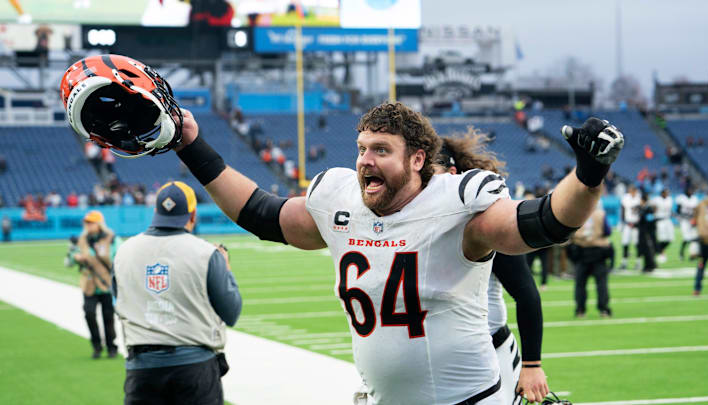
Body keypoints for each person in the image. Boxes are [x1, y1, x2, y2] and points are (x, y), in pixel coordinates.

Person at [168, 103, 623, 405]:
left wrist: (587, 175)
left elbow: (544, 223)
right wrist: (192, 145)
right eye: (362, 148)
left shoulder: (456, 205)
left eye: (382, 150)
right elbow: (260, 213)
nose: (366, 160)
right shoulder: (341, 199)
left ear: (418, 160)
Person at [433, 132, 549, 403]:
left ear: (452, 173)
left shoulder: (480, 223)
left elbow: (526, 293)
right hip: (439, 359)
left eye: (431, 174)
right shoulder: (414, 220)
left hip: (488, 352)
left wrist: (532, 365)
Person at [113, 181, 242, 405]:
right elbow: (231, 311)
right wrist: (226, 270)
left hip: (142, 367)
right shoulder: (206, 253)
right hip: (195, 367)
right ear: (192, 215)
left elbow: (119, 299)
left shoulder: (124, 251)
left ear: (155, 212)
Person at [67, 210, 118, 358]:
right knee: (89, 314)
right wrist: (76, 257)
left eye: (92, 222)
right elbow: (69, 261)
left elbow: (119, 257)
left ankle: (111, 347)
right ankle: (96, 346)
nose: (89, 225)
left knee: (108, 317)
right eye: (87, 222)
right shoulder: (81, 240)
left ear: (99, 223)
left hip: (106, 284)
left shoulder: (112, 239)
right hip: (89, 284)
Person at [568, 198, 613, 318]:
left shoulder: (577, 214)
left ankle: (580, 310)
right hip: (598, 251)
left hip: (581, 251)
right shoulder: (600, 214)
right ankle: (603, 309)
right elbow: (608, 231)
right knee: (601, 284)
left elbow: (570, 232)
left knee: (580, 284)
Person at [619, 184, 641, 270]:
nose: (632, 192)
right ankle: (624, 262)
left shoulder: (639, 198)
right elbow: (623, 210)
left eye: (633, 191)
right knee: (625, 243)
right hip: (628, 224)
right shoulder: (625, 198)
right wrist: (623, 222)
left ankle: (638, 262)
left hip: (636, 224)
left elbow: (641, 211)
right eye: (631, 191)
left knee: (637, 244)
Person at [650, 188, 674, 263]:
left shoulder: (670, 199)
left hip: (667, 220)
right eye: (666, 193)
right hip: (659, 220)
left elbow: (670, 210)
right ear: (662, 193)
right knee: (661, 238)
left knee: (670, 238)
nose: (667, 194)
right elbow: (652, 209)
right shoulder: (656, 199)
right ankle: (661, 252)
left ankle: (658, 250)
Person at [676, 185, 700, 259]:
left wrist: (695, 219)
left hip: (692, 220)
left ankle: (693, 254)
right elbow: (678, 210)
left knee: (694, 238)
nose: (690, 192)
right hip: (684, 220)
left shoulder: (695, 198)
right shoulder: (681, 198)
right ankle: (681, 253)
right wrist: (682, 216)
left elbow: (697, 210)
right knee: (687, 238)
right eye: (689, 190)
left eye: (691, 190)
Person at [636, 192, 657, 272]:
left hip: (646, 232)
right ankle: (648, 265)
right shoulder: (643, 208)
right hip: (642, 232)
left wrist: (648, 232)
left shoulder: (648, 209)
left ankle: (650, 265)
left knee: (648, 249)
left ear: (643, 200)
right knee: (644, 249)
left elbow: (650, 220)